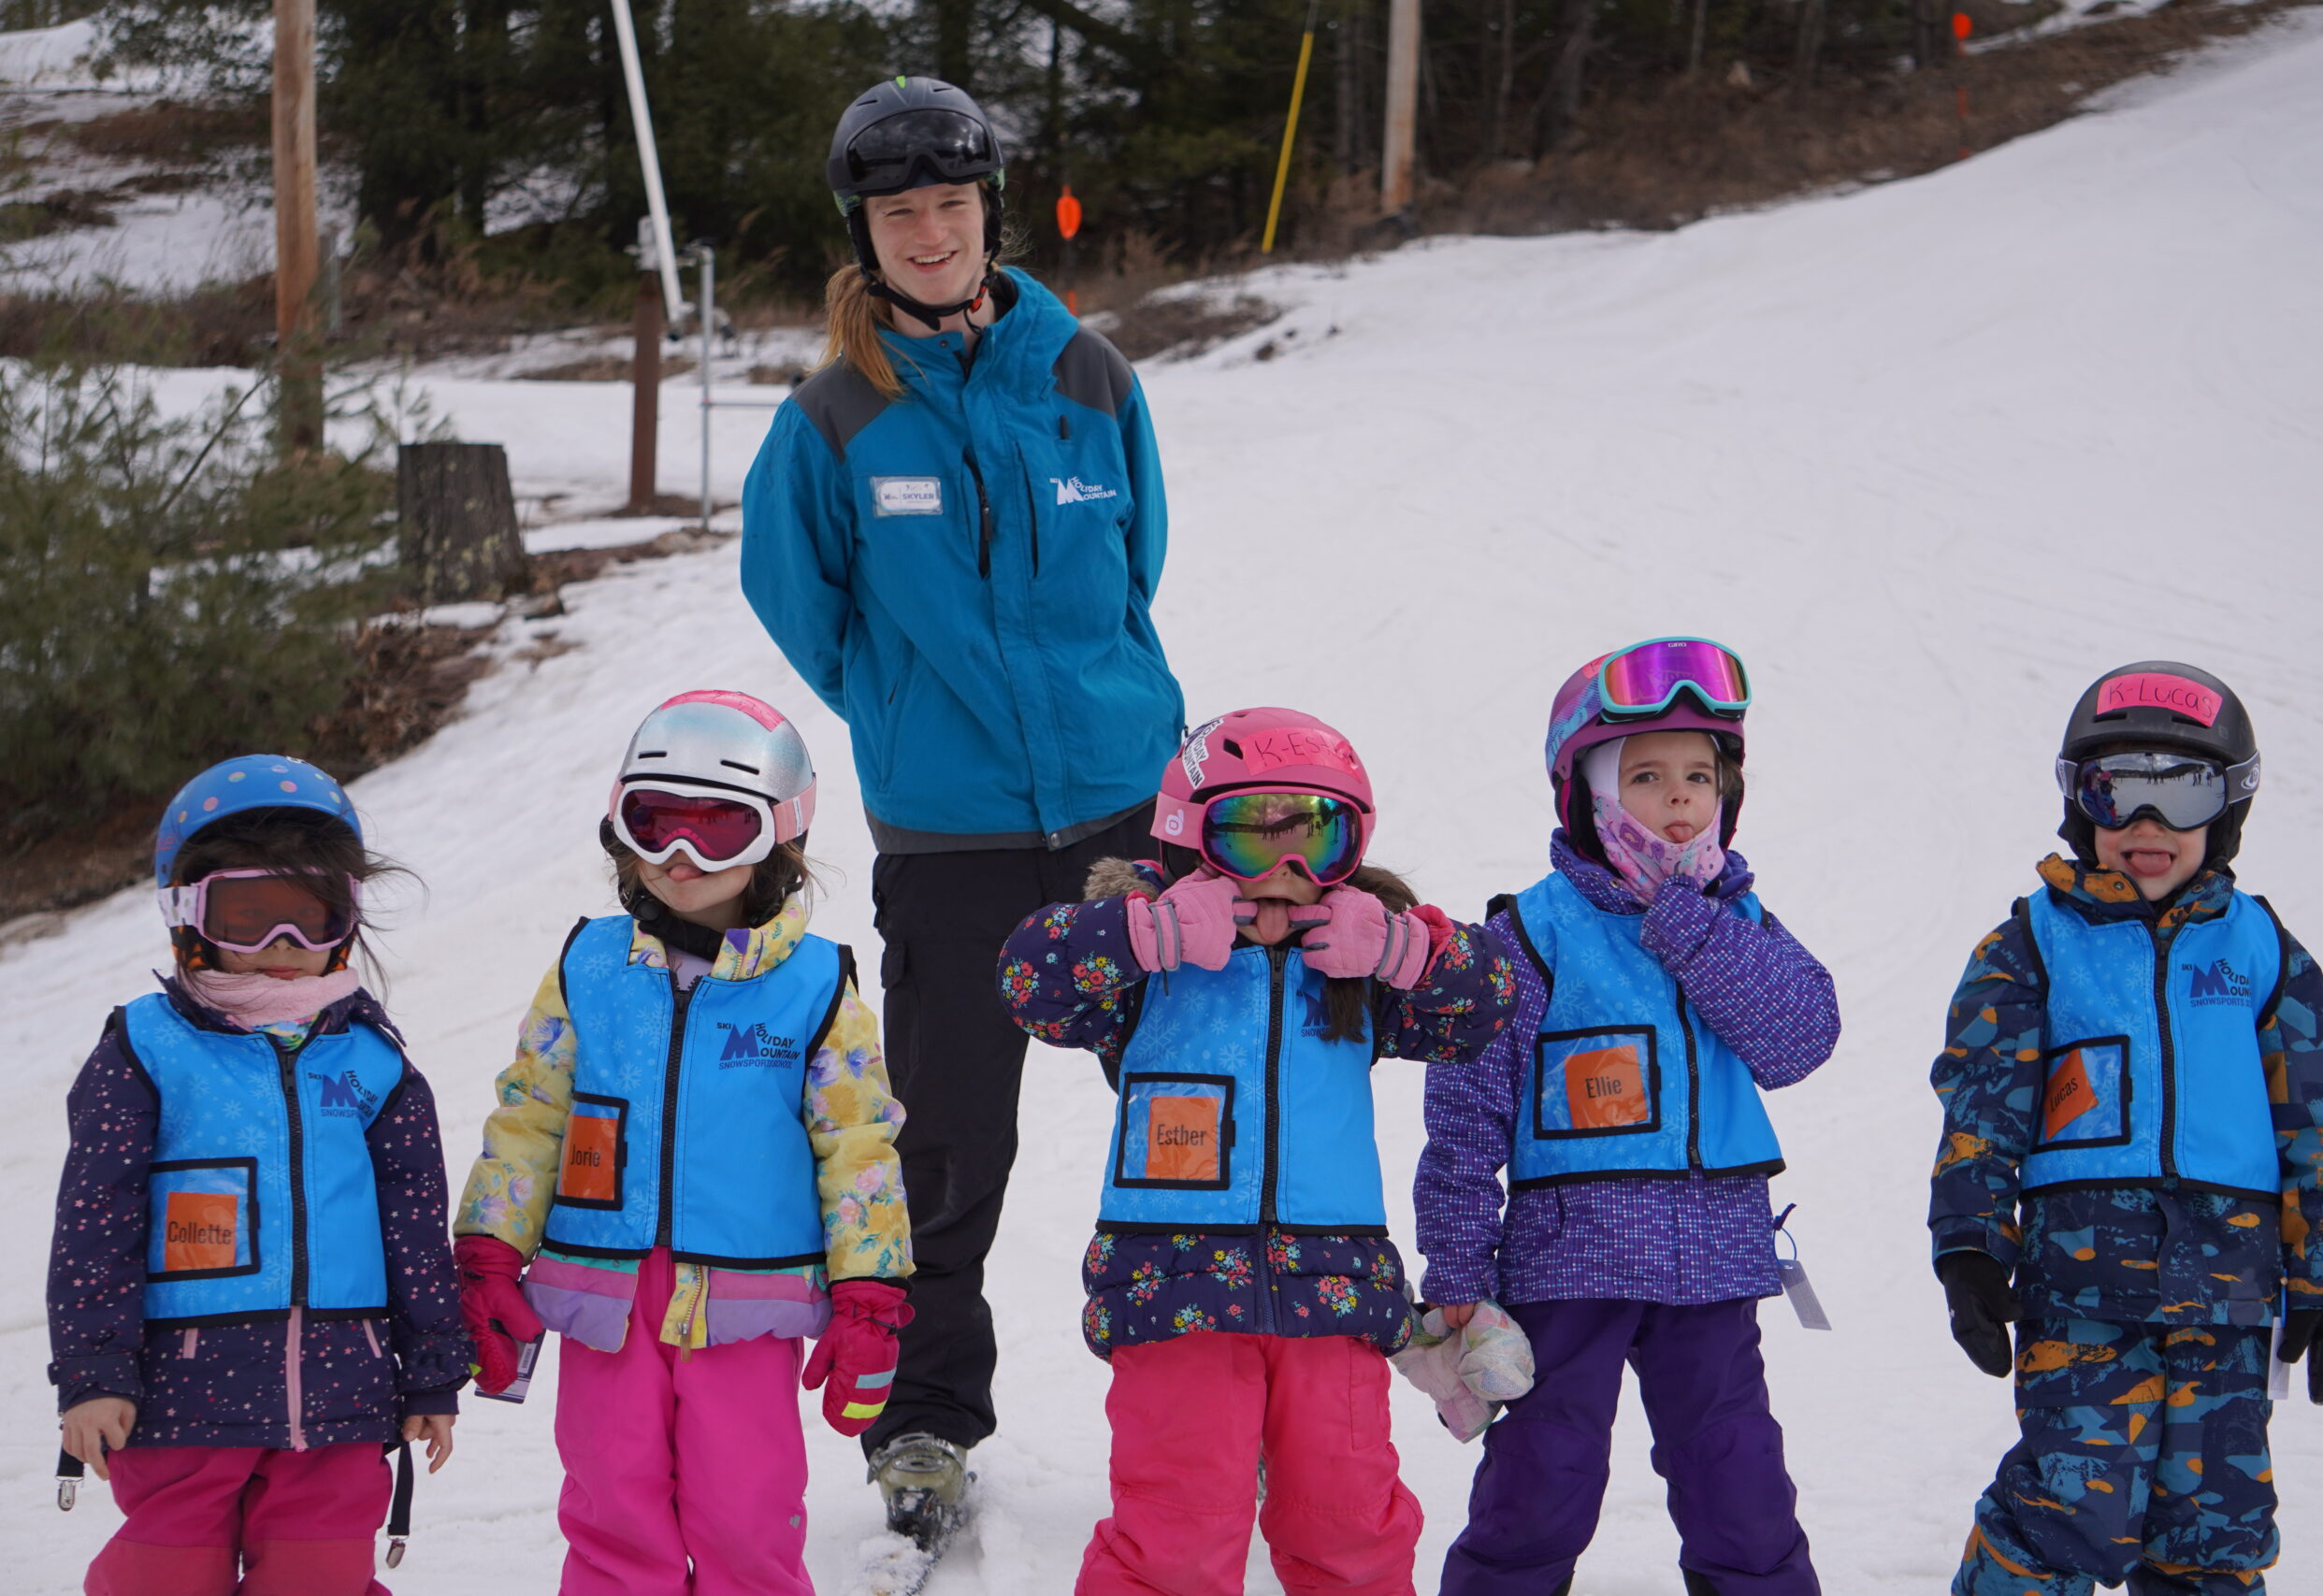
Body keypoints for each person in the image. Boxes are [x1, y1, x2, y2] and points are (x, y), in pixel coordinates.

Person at [740, 73, 1183, 1535]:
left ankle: (1207, 1382)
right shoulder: (834, 416)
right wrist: (907, 705)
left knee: (1189, 1108)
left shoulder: (1089, 379)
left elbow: (1137, 569)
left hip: (1125, 817)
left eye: (950, 204)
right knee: (944, 1145)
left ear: (990, 212)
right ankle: (927, 1420)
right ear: (863, 235)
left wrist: (1096, 702)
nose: (929, 233)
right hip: (955, 838)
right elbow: (801, 603)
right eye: (898, 213)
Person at [995, 708, 1520, 1596]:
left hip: (1336, 1298)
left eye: (1317, 835)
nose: (1286, 869)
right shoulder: (1147, 968)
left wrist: (1405, 949)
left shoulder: (1353, 964)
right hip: (1173, 1296)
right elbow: (1026, 980)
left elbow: (1488, 1005)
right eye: (1250, 833)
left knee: (1349, 1522)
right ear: (1193, 839)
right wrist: (1139, 932)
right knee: (1175, 1529)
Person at [450, 691, 912, 1596]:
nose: (680, 857)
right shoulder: (587, 967)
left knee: (745, 1516)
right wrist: (490, 1253)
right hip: (602, 1298)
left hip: (745, 1302)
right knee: (612, 1508)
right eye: (653, 825)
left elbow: (858, 1145)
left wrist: (869, 1292)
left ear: (778, 835)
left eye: (718, 830)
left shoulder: (815, 986)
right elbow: (531, 1118)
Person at [1928, 661, 2323, 1596]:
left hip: (2230, 1294)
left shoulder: (2262, 949)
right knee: (2065, 1507)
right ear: (2078, 801)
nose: (2147, 825)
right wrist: (1970, 1249)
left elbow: (2321, 1119)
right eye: (2117, 790)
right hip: (2080, 1287)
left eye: (2183, 792)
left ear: (2227, 809)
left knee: (2214, 1528)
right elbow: (1981, 1108)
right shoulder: (2031, 946)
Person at [1415, 639, 1840, 1596]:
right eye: (1645, 776)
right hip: (1572, 1262)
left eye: (1700, 774)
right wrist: (1454, 1270)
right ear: (1588, 795)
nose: (1680, 797)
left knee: (1738, 1478)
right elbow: (1464, 1118)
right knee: (1541, 1480)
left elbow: (1799, 1039)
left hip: (1714, 1262)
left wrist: (1692, 925)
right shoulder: (1527, 935)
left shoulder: (1736, 919)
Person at [47, 755, 469, 1596]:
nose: (283, 947)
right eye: (248, 916)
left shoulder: (376, 1063)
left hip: (342, 1396)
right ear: (187, 914)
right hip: (179, 1399)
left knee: (319, 1577)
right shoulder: (147, 1049)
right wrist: (94, 1373)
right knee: (163, 1577)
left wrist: (431, 1371)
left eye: (310, 917)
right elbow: (97, 1216)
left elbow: (414, 1227)